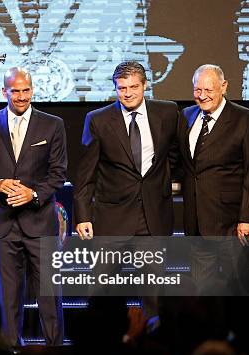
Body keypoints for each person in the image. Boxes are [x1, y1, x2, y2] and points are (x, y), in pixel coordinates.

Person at [0, 66, 67, 347]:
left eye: (26, 90)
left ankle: (54, 352)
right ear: (4, 92)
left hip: (40, 220)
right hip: (3, 223)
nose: (21, 96)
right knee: (8, 296)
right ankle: (11, 353)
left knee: (50, 296)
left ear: (33, 89)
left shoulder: (52, 124)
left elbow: (58, 172)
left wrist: (34, 195)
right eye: (14, 91)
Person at [180, 64, 249, 291]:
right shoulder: (187, 116)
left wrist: (246, 218)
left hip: (232, 224)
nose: (202, 96)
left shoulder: (246, 120)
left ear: (224, 86)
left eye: (209, 90)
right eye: (197, 90)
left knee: (239, 290)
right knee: (201, 294)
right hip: (197, 223)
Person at [73, 61, 180, 239]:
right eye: (122, 88)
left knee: (153, 268)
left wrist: (162, 182)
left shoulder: (167, 112)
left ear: (145, 85)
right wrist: (83, 217)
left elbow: (174, 155)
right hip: (112, 220)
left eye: (134, 87)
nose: (128, 94)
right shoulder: (98, 120)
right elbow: (85, 174)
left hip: (154, 218)